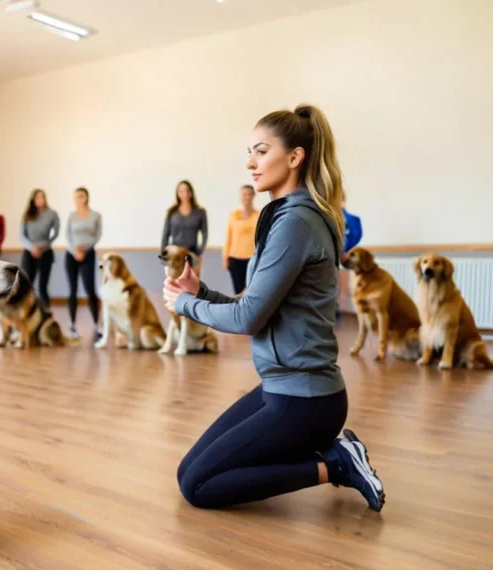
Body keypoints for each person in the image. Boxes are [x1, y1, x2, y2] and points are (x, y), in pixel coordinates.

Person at [162, 105, 385, 512]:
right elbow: (254, 305)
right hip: (280, 389)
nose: (250, 162)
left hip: (305, 401)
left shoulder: (296, 222)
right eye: (250, 152)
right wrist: (203, 293)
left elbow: (248, 319)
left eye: (261, 151)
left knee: (199, 487)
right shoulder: (289, 216)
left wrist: (186, 304)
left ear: (295, 157)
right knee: (189, 473)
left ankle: (337, 463)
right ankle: (335, 455)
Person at [64, 187, 102, 341]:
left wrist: (85, 249)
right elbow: (67, 234)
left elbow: (98, 235)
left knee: (90, 289)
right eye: (76, 197)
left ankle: (96, 324)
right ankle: (72, 326)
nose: (78, 199)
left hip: (88, 254)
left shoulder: (95, 216)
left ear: (86, 197)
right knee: (72, 290)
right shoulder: (72, 216)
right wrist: (75, 250)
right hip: (71, 254)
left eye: (81, 196)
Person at [19, 189, 59, 304]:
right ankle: (26, 314)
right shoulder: (27, 214)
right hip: (29, 252)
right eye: (38, 197)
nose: (40, 199)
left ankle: (46, 315)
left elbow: (55, 234)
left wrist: (44, 245)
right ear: (33, 200)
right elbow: (22, 236)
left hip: (45, 252)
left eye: (42, 197)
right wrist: (32, 248)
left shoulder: (52, 214)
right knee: (27, 286)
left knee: (43, 287)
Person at [161, 180, 208, 271]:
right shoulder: (172, 212)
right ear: (177, 193)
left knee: (190, 282)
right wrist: (164, 254)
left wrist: (200, 251)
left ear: (190, 192)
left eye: (186, 190)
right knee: (175, 282)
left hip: (192, 252)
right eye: (181, 191)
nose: (184, 194)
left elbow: (205, 233)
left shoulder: (200, 212)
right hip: (174, 253)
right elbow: (165, 235)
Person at [222, 185, 260, 295]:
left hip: (252, 259)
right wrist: (225, 257)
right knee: (238, 293)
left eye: (249, 194)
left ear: (253, 196)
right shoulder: (233, 215)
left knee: (250, 292)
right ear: (240, 196)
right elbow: (228, 237)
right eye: (244, 194)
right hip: (234, 260)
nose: (247, 197)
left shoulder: (258, 215)